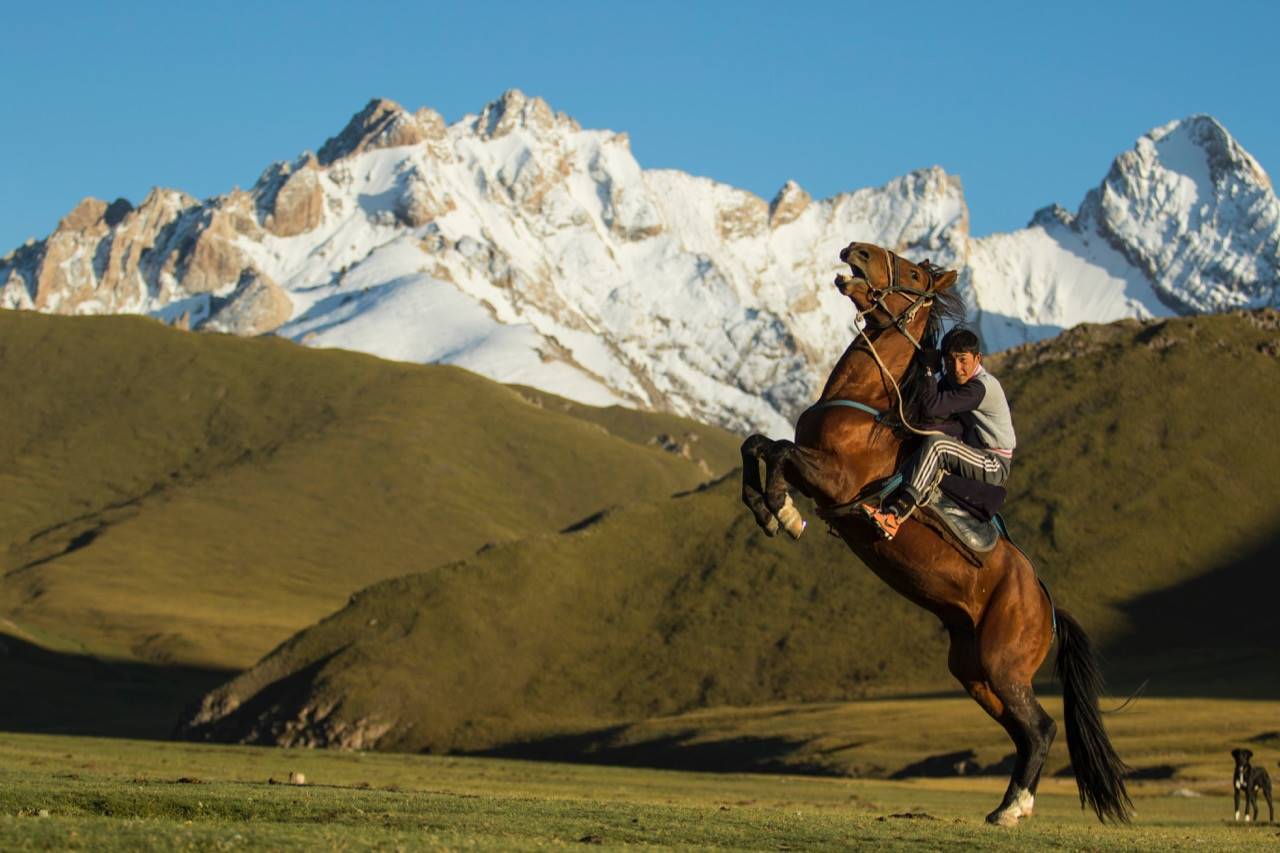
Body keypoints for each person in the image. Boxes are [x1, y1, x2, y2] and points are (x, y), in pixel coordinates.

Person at [863, 328, 1016, 540]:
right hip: (973, 449)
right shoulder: (955, 380)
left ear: (978, 358)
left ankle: (895, 514)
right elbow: (929, 412)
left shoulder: (979, 387)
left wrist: (927, 370)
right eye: (950, 361)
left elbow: (932, 408)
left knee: (937, 445)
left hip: (993, 462)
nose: (957, 368)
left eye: (963, 360)